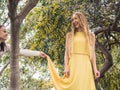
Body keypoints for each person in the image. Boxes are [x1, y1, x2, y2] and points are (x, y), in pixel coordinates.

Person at [47, 12, 100, 90]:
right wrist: (66, 67)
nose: (74, 21)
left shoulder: (91, 35)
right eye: (72, 20)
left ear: (81, 19)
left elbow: (93, 53)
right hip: (73, 64)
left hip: (85, 64)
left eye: (76, 18)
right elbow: (66, 53)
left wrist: (95, 69)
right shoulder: (69, 35)